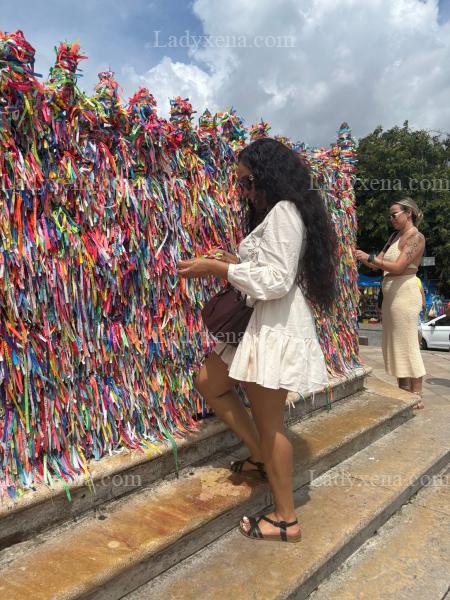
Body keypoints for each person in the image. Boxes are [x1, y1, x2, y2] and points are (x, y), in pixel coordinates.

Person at [177, 138, 337, 543]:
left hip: (272, 325)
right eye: (240, 183)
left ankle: (285, 519)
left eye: (248, 181)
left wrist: (217, 269)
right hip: (255, 322)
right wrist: (233, 262)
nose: (244, 190)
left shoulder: (284, 211)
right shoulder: (280, 212)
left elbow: (278, 280)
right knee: (209, 382)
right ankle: (261, 458)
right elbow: (267, 267)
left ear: (269, 176)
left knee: (271, 424)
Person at [356, 197, 426, 409]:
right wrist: (362, 257)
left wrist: (368, 257)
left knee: (407, 343)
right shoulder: (394, 236)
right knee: (396, 345)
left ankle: (417, 395)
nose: (391, 218)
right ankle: (403, 392)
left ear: (408, 213)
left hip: (405, 294)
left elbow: (397, 266)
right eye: (390, 215)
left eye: (394, 214)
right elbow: (378, 264)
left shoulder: (416, 237)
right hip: (391, 296)